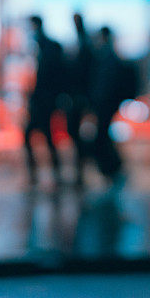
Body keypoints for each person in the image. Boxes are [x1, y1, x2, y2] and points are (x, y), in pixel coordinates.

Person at [24, 15, 66, 186]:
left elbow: (50, 78)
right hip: (44, 101)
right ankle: (46, 173)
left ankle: (45, 174)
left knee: (43, 137)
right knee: (42, 138)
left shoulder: (46, 47)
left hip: (44, 102)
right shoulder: (41, 47)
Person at [90, 26, 125, 184]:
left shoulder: (107, 57)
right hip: (106, 103)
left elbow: (106, 84)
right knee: (103, 135)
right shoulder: (108, 56)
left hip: (106, 103)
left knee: (102, 136)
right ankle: (112, 167)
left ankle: (113, 167)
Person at [66, 13, 94, 187]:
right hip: (78, 98)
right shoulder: (81, 43)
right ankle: (80, 172)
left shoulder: (85, 45)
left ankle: (81, 172)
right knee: (76, 136)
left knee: (80, 137)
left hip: (81, 99)